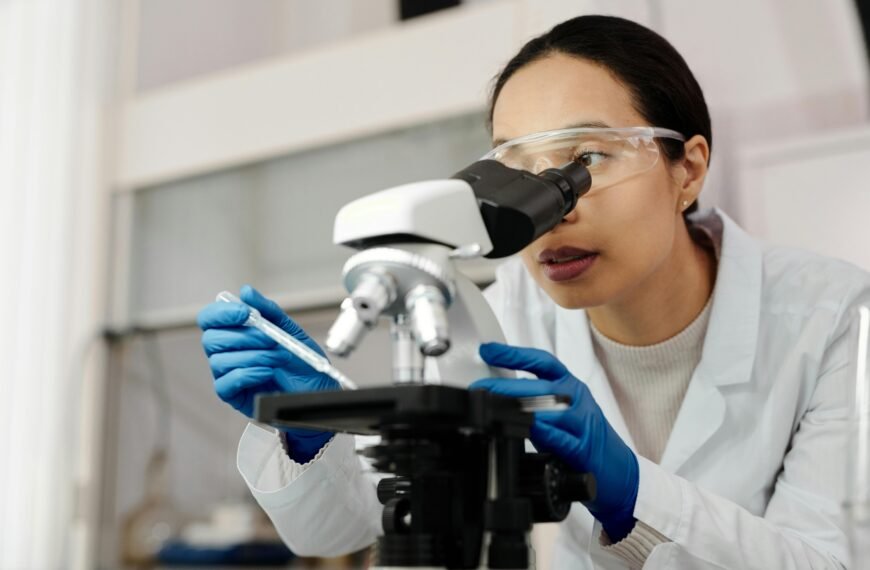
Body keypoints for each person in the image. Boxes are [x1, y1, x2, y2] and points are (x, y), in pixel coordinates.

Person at [196, 14, 870, 569]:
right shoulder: (503, 307)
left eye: (587, 161)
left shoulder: (836, 318)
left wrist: (630, 491)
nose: (549, 209)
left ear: (687, 169)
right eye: (515, 169)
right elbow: (346, 526)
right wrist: (312, 429)